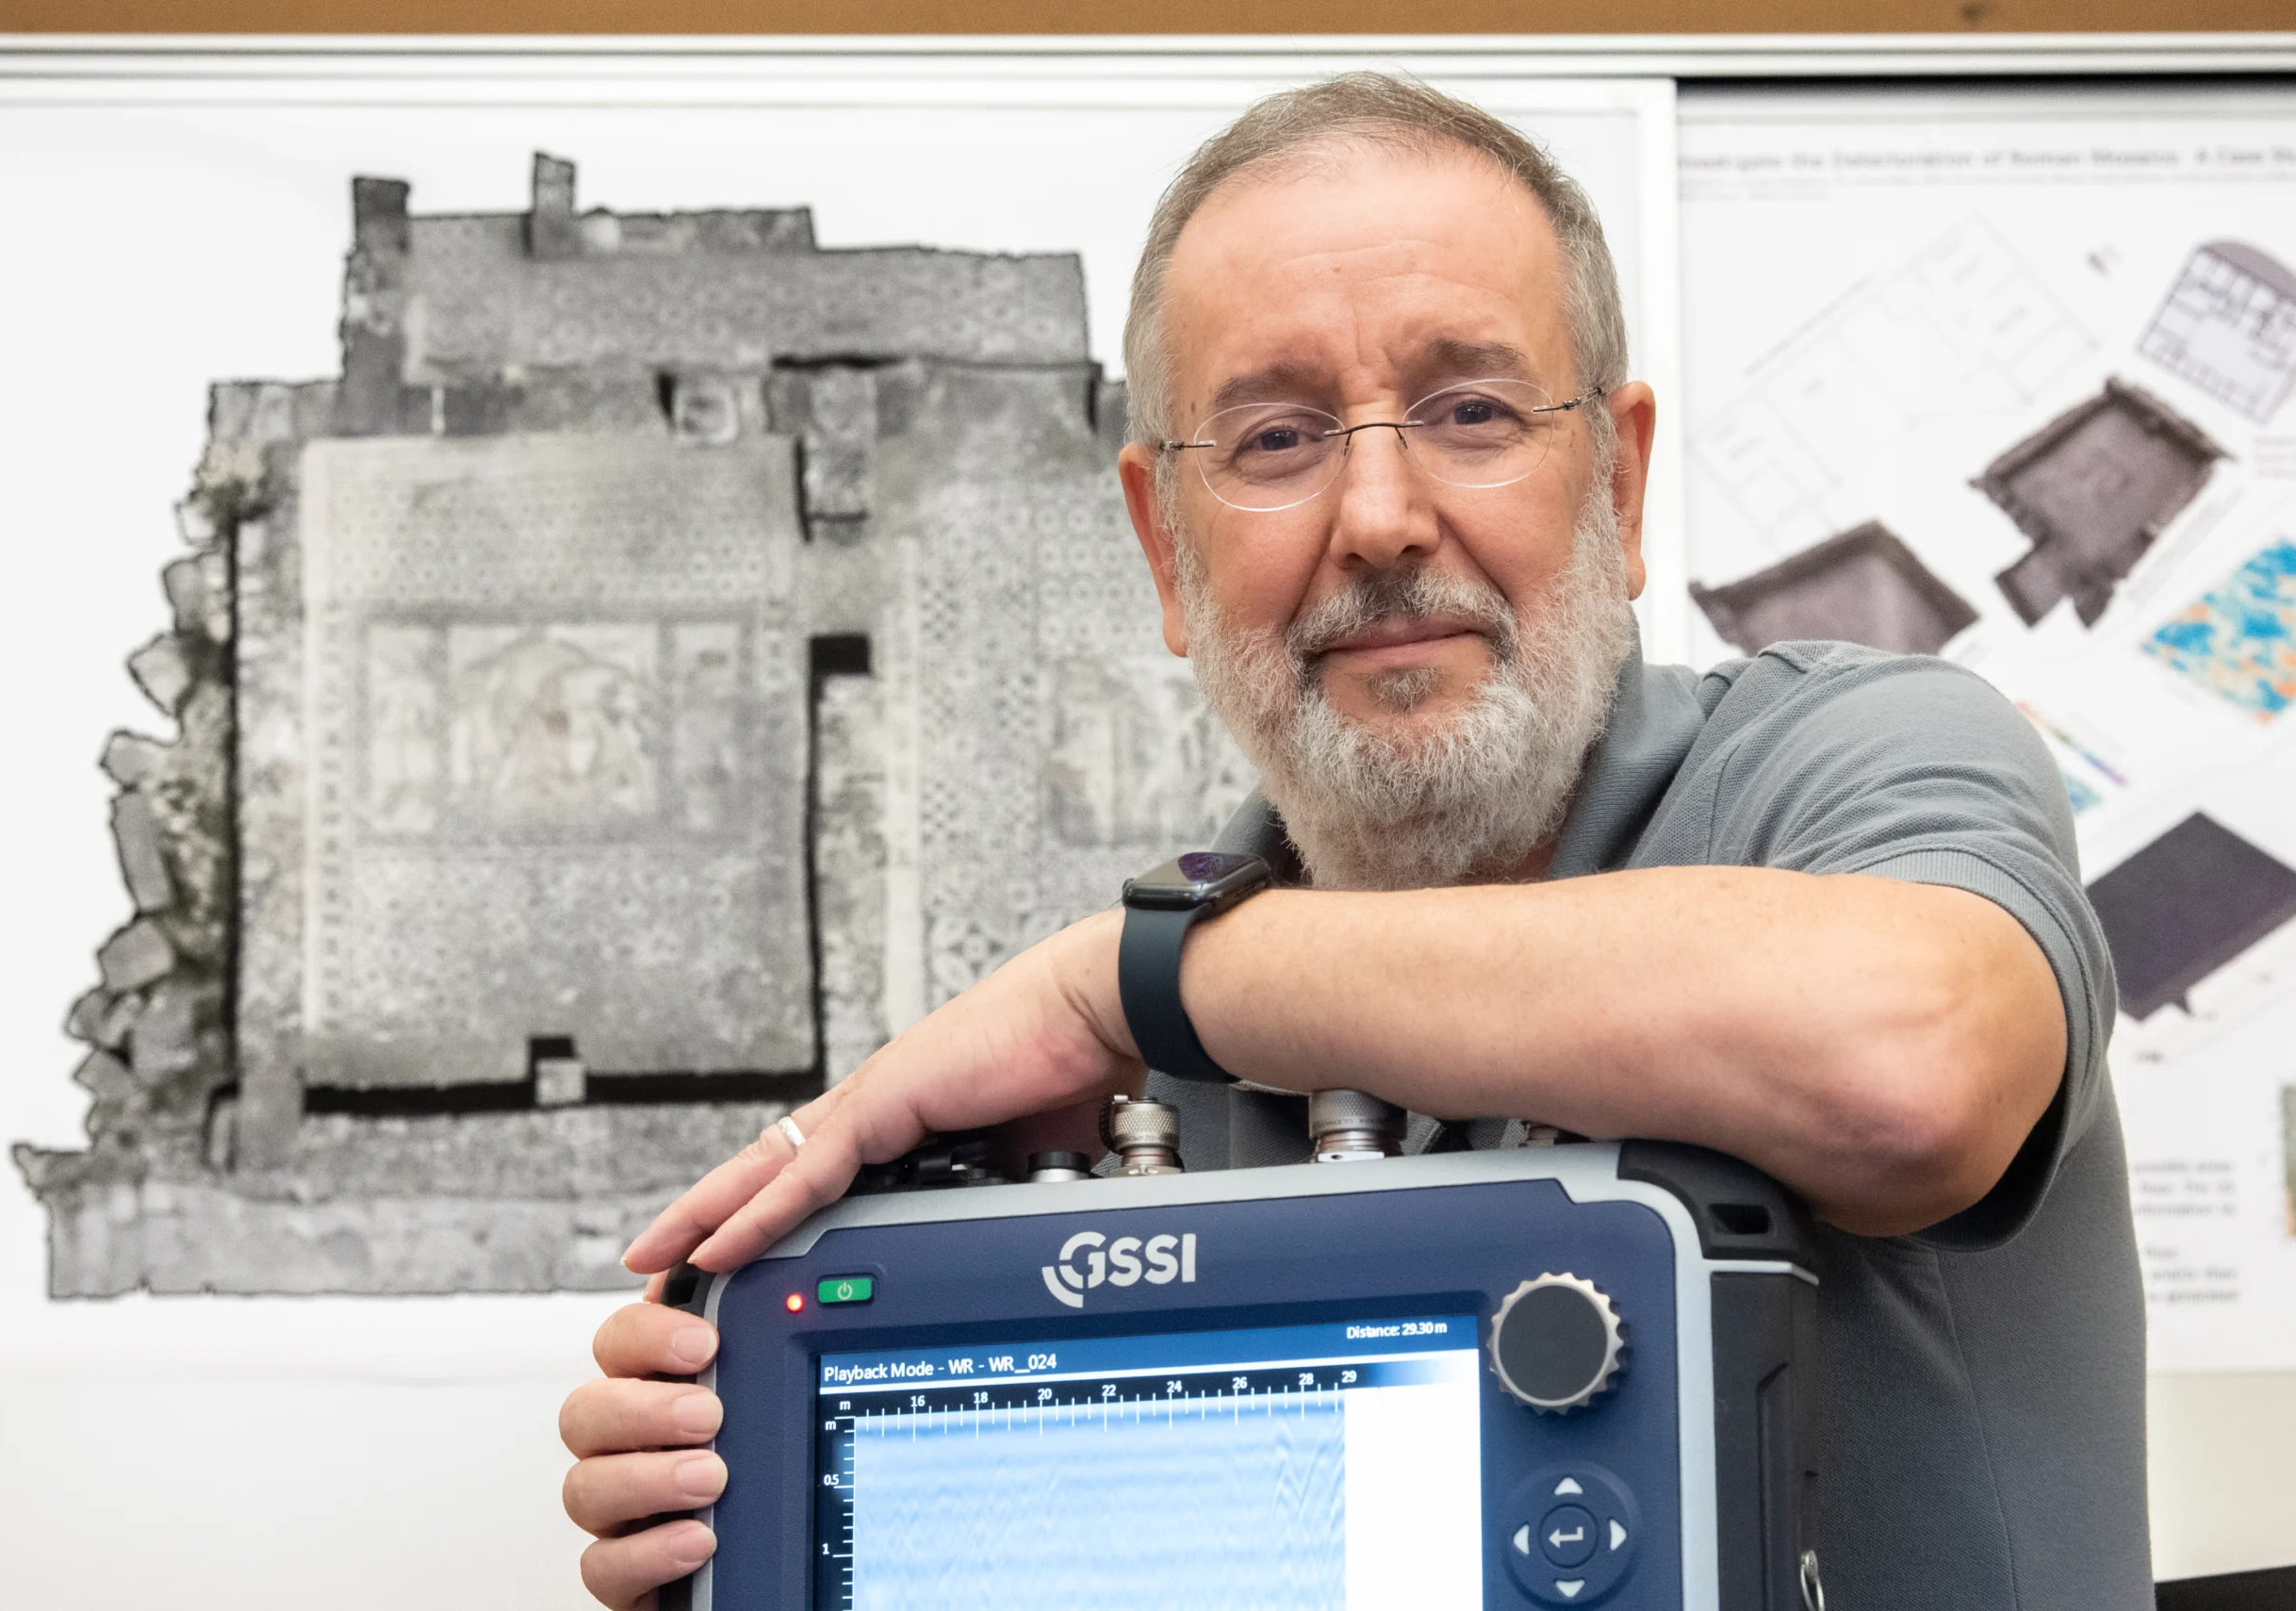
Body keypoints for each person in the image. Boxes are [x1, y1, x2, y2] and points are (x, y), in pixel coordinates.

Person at [557, 74, 2148, 1611]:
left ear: (1621, 478)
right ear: (1163, 551)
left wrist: (1133, 986)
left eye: (1471, 410)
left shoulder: (1862, 762)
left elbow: (1911, 1069)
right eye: (1275, 440)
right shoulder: (1147, 1063)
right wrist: (757, 1493)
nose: (1380, 516)